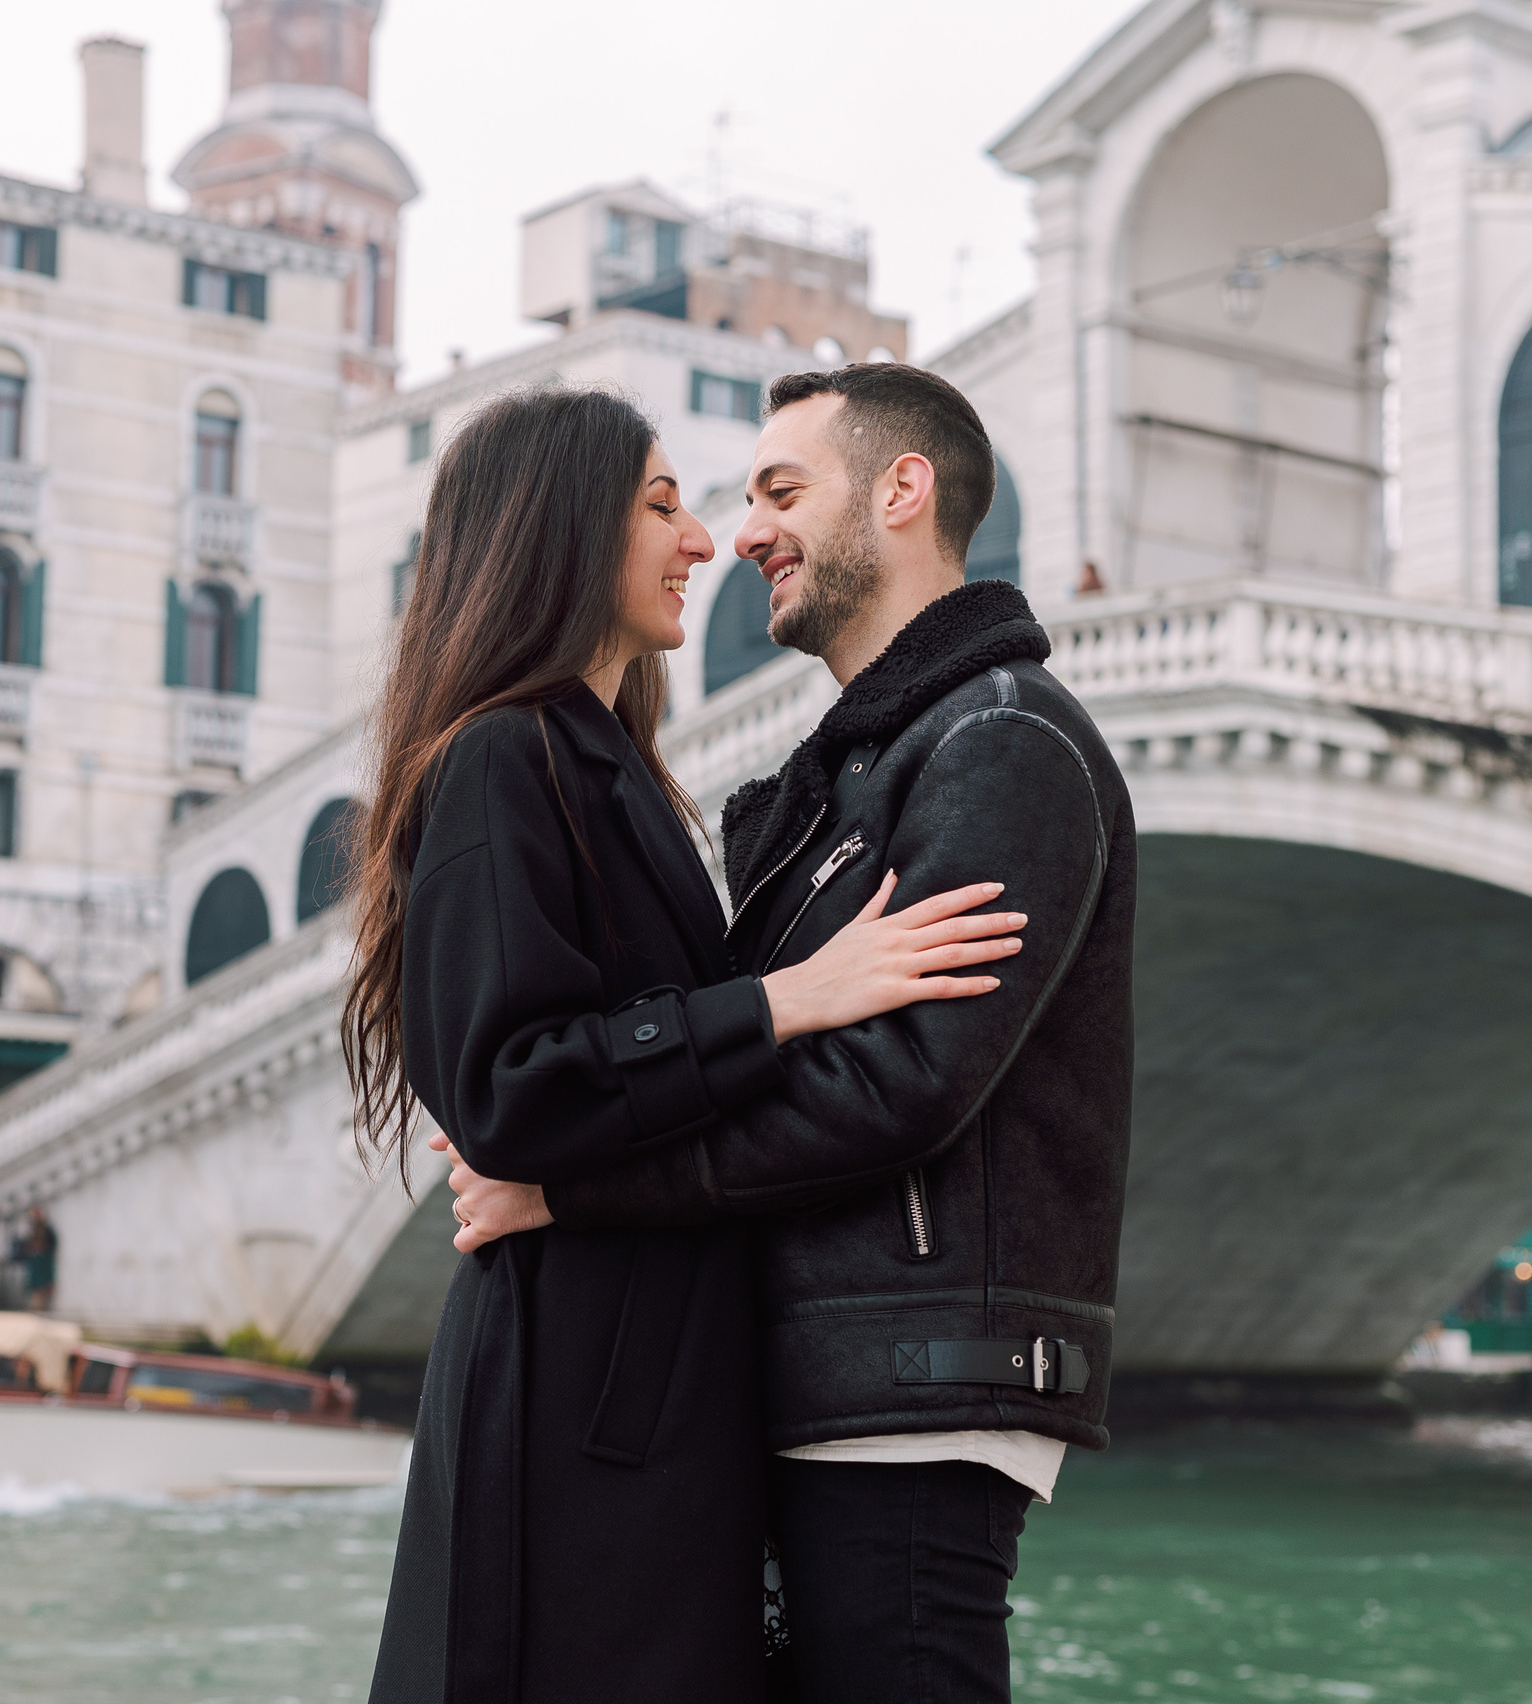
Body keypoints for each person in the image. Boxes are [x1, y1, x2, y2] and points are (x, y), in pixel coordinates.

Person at [447, 363, 1139, 1703]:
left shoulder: (1003, 745)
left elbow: (898, 1088)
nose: (741, 532)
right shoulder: (844, 782)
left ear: (902, 491)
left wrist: (577, 1187)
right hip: (820, 1379)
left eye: (779, 492)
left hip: (911, 1391)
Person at [13, 1205, 58, 1312]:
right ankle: (35, 1307)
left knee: (43, 1286)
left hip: (43, 1261)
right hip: (35, 1261)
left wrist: (41, 1248)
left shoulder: (47, 1229)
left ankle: (39, 1308)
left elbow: (52, 1244)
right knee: (34, 1286)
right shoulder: (32, 1228)